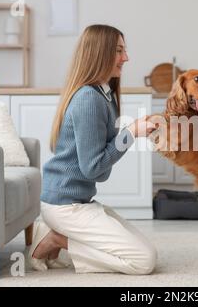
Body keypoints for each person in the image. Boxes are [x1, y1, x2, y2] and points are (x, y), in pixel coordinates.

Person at [27, 25, 157, 275]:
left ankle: (56, 234)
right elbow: (93, 168)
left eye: (124, 50)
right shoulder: (89, 98)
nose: (126, 58)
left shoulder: (103, 94)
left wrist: (134, 130)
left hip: (80, 201)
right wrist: (131, 133)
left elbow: (96, 162)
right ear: (100, 53)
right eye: (119, 50)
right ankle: (56, 239)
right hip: (66, 206)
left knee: (143, 248)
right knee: (143, 261)